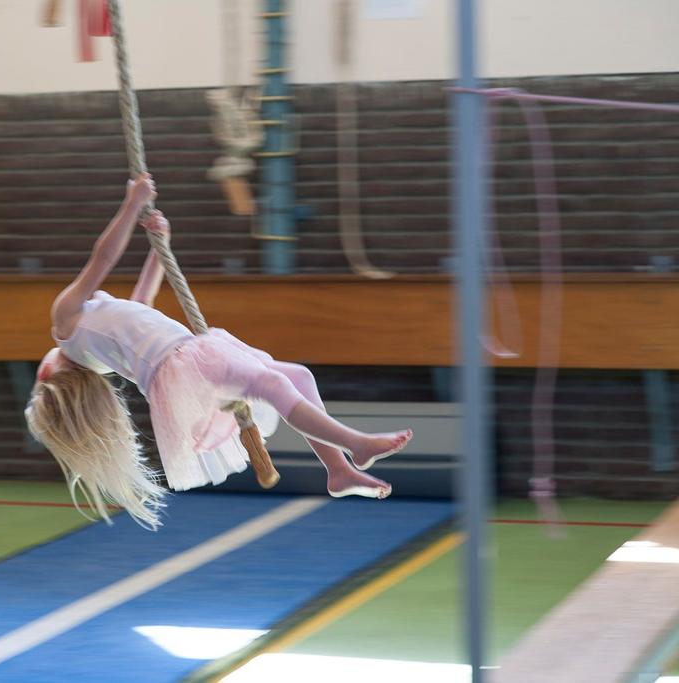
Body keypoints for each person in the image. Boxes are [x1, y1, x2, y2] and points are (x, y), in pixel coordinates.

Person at [25, 173, 412, 529]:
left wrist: (159, 251)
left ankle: (338, 470)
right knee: (274, 383)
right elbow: (102, 258)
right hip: (185, 366)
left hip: (187, 365)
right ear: (45, 374)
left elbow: (144, 303)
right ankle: (354, 443)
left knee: (296, 376)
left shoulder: (96, 358)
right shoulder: (65, 320)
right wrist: (131, 202)